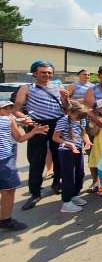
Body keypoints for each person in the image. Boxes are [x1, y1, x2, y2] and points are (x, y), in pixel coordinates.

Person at [14, 60, 69, 210]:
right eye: (43, 72)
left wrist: (66, 99)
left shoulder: (59, 87)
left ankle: (57, 184)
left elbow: (66, 109)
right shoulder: (26, 88)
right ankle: (35, 193)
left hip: (57, 124)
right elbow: (16, 109)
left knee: (59, 157)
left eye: (49, 72)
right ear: (35, 73)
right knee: (36, 160)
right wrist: (26, 120)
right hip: (37, 125)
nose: (47, 75)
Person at [0, 101, 48, 231]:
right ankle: (5, 220)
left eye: (11, 107)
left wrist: (34, 131)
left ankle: (5, 220)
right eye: (5, 108)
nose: (9, 110)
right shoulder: (10, 119)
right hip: (5, 160)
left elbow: (20, 138)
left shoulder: (10, 120)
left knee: (9, 190)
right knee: (8, 190)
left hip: (5, 159)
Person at [52, 101, 92, 213]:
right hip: (66, 151)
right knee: (69, 176)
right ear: (70, 112)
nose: (80, 118)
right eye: (78, 116)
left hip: (78, 150)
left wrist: (87, 142)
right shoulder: (63, 120)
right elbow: (55, 138)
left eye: (81, 116)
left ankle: (74, 195)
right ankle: (66, 202)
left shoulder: (81, 120)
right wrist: (69, 143)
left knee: (80, 173)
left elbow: (84, 133)